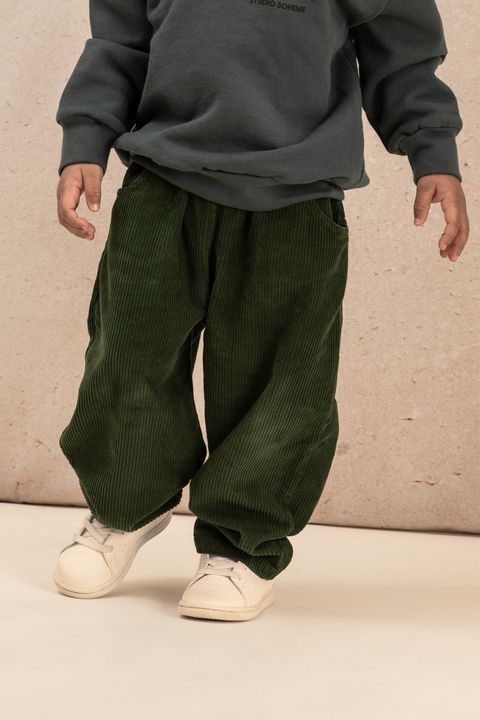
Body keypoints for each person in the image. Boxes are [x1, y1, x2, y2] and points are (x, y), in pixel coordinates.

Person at [52, 0, 470, 621]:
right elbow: (118, 43)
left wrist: (432, 153)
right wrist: (85, 138)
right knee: (128, 354)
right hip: (162, 182)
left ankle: (240, 544)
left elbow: (403, 58)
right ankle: (125, 504)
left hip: (295, 200)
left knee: (281, 379)